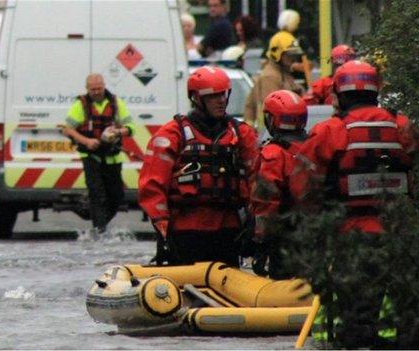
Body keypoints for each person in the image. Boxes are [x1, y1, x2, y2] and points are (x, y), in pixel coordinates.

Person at [291, 61, 416, 347]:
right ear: (376, 90)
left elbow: (303, 187)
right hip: (400, 238)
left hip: (352, 236)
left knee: (358, 319)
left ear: (339, 93)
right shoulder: (402, 126)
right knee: (408, 318)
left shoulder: (330, 132)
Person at [139, 66, 258, 265]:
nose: (221, 100)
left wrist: (255, 226)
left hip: (228, 230)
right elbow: (152, 186)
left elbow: (259, 181)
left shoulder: (241, 134)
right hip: (185, 231)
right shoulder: (172, 135)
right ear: (196, 98)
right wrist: (162, 228)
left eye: (223, 94)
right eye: (213, 96)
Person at [62, 73, 135, 234]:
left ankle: (96, 219)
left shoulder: (116, 103)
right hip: (91, 156)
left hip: (113, 157)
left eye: (99, 88)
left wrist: (118, 132)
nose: (96, 92)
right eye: (92, 89)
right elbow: (68, 129)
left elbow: (131, 127)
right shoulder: (81, 105)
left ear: (104, 85)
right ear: (87, 89)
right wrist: (87, 141)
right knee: (97, 194)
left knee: (117, 195)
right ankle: (99, 230)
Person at [249, 90, 307, 279]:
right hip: (313, 234)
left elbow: (265, 203)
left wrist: (260, 242)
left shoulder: (273, 154)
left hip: (283, 239)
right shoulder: (314, 146)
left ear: (273, 120)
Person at [244, 31, 304, 131]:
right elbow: (274, 111)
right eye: (289, 54)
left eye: (294, 54)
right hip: (273, 135)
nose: (293, 58)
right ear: (277, 53)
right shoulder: (270, 77)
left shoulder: (283, 73)